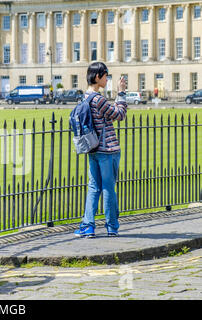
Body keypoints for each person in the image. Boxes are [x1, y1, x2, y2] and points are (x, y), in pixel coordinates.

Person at [74, 62, 127, 238]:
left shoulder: (84, 98)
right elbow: (119, 115)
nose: (107, 79)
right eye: (106, 76)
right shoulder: (98, 99)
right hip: (108, 150)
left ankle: (88, 226)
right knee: (108, 188)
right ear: (98, 77)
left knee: (93, 187)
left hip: (93, 149)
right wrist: (121, 93)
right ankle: (112, 226)